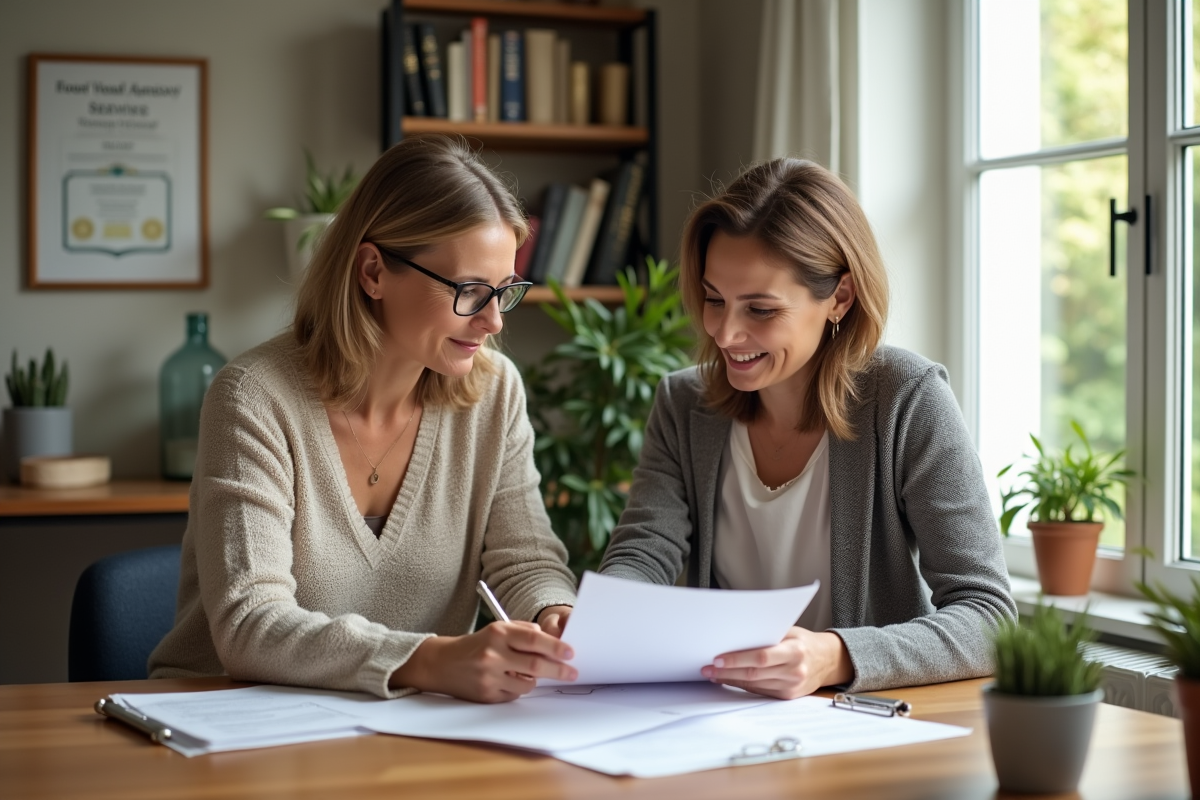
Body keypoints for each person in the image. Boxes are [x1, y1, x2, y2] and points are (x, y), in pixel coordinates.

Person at [149, 135, 578, 703]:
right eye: (472, 291)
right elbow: (250, 624)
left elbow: (524, 560)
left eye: (504, 291)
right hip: (228, 721)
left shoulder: (494, 395)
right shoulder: (253, 397)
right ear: (373, 271)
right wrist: (428, 658)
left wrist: (554, 612)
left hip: (404, 728)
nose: (494, 322)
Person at [593, 157, 1016, 699]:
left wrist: (832, 655)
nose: (724, 333)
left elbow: (988, 618)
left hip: (860, 727)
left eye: (761, 310)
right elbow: (644, 552)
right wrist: (600, 620)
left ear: (839, 297)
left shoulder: (907, 399)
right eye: (714, 299)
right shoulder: (684, 403)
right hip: (714, 720)